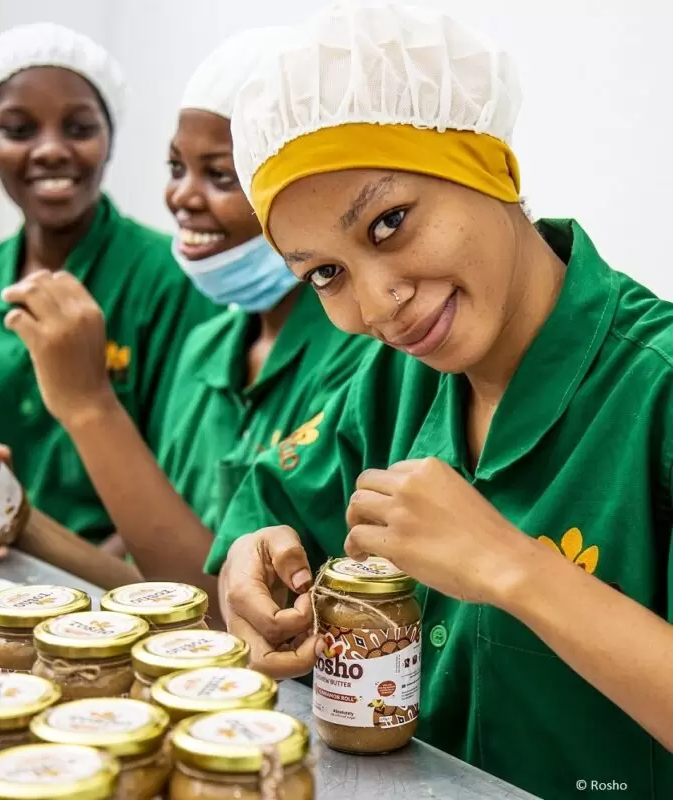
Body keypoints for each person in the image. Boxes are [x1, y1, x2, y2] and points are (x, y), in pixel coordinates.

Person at [208, 2, 673, 797]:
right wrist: (249, 569)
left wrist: (509, 566)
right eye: (325, 273)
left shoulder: (654, 391)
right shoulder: (392, 386)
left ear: (488, 165)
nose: (379, 303)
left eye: (389, 222)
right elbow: (268, 507)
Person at [0, 26, 376, 624]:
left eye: (220, 175)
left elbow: (230, 612)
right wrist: (17, 519)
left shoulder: (364, 353)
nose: (182, 197)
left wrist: (90, 406)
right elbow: (157, 581)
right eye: (177, 167)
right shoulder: (207, 349)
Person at [0, 23, 218, 560]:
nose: (52, 150)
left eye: (79, 127)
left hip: (127, 581)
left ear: (109, 138)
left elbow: (186, 477)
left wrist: (91, 571)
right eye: (18, 129)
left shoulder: (169, 278)